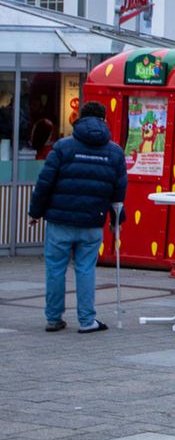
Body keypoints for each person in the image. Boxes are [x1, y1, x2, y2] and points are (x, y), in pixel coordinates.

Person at [27, 101, 127, 333]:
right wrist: (116, 221)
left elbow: (45, 183)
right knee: (85, 268)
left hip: (60, 221)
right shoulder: (114, 151)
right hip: (92, 221)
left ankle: (53, 318)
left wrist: (35, 212)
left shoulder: (63, 147)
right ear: (104, 120)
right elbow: (118, 192)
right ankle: (86, 321)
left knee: (55, 268)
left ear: (80, 119)